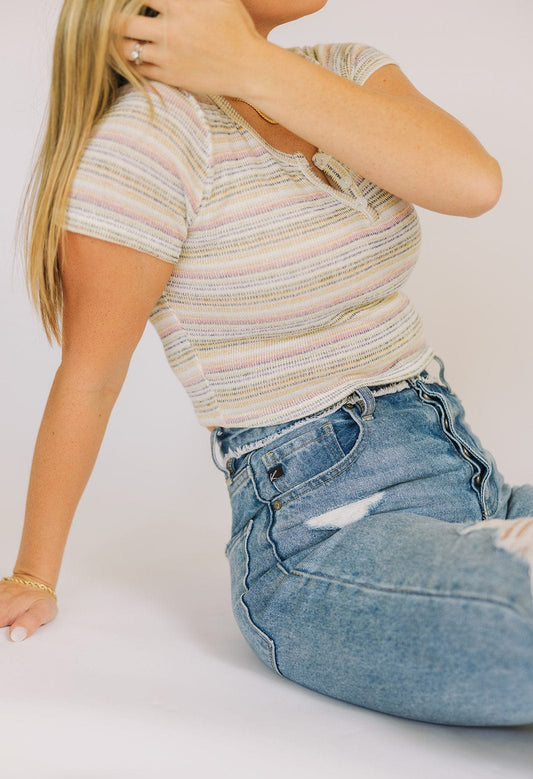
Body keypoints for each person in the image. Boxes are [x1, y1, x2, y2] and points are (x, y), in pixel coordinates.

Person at [1, 0, 532, 726]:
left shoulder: (340, 72)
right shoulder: (153, 138)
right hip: (321, 536)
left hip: (471, 483)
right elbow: (90, 376)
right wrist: (33, 572)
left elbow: (471, 183)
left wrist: (248, 63)